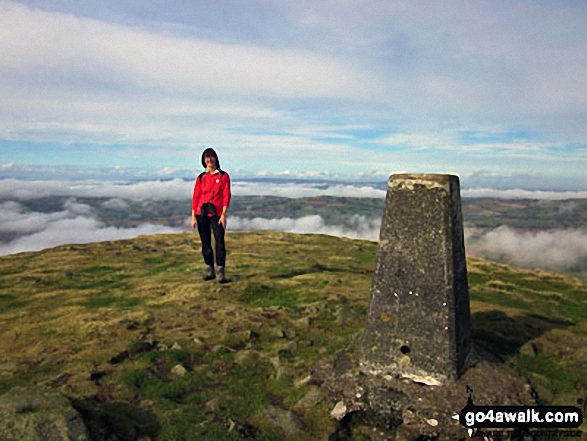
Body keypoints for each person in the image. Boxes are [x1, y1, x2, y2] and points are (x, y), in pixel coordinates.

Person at [190, 148, 231, 283]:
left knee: (219, 242)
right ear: (204, 160)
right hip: (201, 213)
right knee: (205, 243)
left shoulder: (223, 176)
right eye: (206, 158)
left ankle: (220, 272)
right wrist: (193, 216)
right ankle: (210, 270)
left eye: (211, 157)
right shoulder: (201, 177)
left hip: (217, 214)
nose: (209, 160)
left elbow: (226, 195)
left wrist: (224, 214)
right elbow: (196, 196)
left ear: (216, 159)